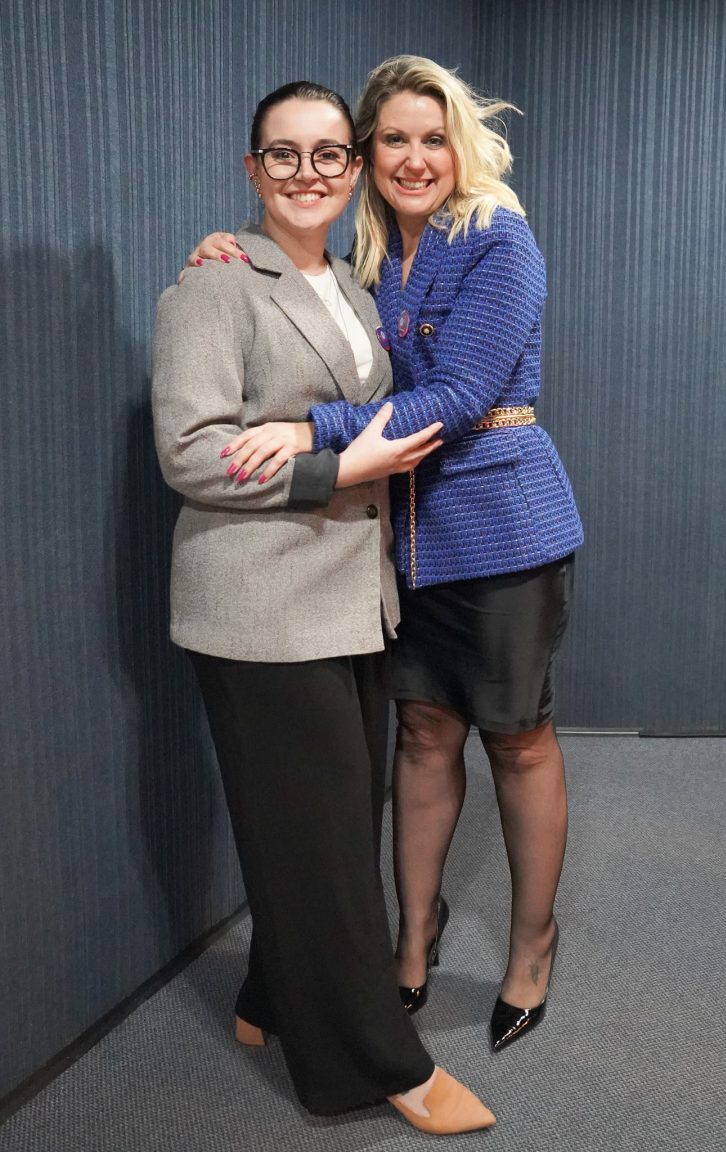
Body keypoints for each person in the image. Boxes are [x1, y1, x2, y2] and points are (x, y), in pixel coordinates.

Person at [187, 56, 584, 1053]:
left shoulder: (497, 237)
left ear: (460, 145)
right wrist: (231, 251)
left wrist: (310, 431)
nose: (415, 157)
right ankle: (413, 938)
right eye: (395, 139)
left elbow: (459, 397)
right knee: (423, 737)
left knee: (517, 740)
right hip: (404, 536)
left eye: (433, 137)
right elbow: (306, 297)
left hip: (501, 528)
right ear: (368, 156)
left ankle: (532, 947)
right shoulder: (369, 252)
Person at [152, 80, 496, 1134]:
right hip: (259, 608)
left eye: (328, 154)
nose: (309, 173)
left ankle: (268, 998)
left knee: (335, 828)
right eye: (284, 154)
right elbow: (190, 452)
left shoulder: (352, 285)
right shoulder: (212, 287)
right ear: (252, 169)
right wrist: (340, 468)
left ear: (352, 170)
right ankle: (370, 1065)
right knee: (330, 854)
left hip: (352, 598)